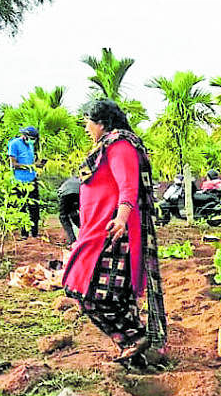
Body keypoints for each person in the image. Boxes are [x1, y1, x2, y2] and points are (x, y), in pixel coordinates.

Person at [62, 98, 167, 366]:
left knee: (91, 295)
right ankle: (137, 355)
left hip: (112, 234)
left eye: (87, 120)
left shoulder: (120, 145)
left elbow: (128, 187)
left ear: (102, 123)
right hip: (97, 231)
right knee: (112, 297)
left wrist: (121, 219)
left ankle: (135, 338)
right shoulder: (107, 148)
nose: (86, 127)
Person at [7, 125, 42, 238]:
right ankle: (24, 234)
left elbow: (30, 161)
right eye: (31, 138)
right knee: (22, 207)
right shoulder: (14, 144)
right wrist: (30, 166)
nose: (33, 141)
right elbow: (13, 164)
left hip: (32, 179)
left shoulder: (30, 146)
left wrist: (37, 165)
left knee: (35, 207)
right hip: (19, 181)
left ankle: (35, 233)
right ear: (25, 136)